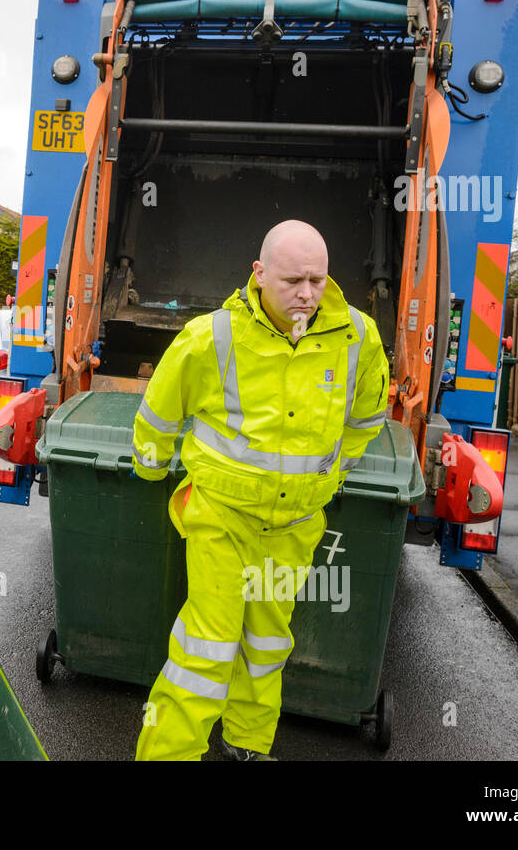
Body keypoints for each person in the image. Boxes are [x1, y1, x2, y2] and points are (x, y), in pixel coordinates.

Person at [132, 219, 389, 761]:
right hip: (222, 517)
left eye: (318, 281)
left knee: (268, 646)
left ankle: (247, 747)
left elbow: (367, 418)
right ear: (258, 273)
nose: (307, 294)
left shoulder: (358, 338)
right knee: (206, 646)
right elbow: (158, 413)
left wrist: (328, 475)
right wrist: (152, 470)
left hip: (295, 524)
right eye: (293, 280)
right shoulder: (212, 336)